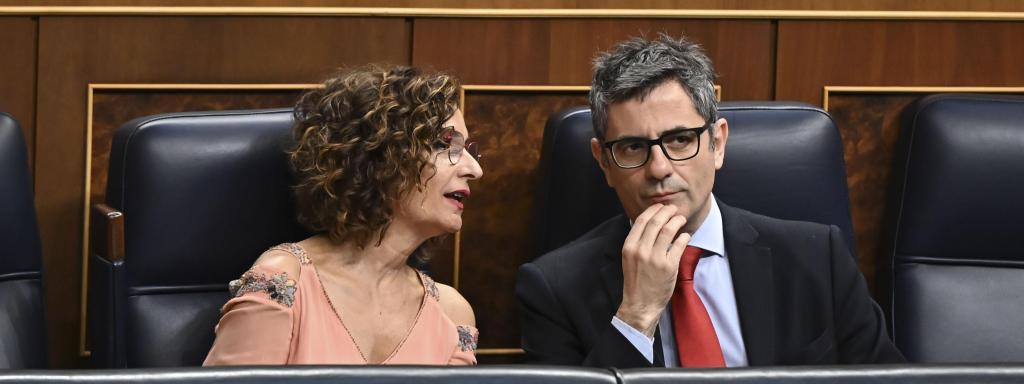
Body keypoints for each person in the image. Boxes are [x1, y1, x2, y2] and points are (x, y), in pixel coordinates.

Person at [515, 35, 904, 368]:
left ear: (717, 143)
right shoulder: (553, 288)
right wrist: (636, 315)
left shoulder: (818, 258)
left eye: (680, 139)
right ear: (604, 162)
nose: (659, 168)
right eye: (633, 147)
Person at [204, 66, 483, 365]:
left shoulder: (452, 313)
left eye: (468, 150)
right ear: (380, 157)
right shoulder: (285, 280)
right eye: (445, 144)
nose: (475, 170)